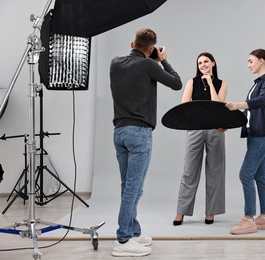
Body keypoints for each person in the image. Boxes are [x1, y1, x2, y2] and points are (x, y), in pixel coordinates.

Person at [109, 28, 182, 256]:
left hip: (119, 132)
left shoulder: (115, 63)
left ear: (132, 43)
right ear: (151, 49)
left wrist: (149, 57)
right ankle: (122, 241)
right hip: (139, 133)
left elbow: (135, 66)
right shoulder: (150, 65)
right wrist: (163, 60)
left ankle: (133, 232)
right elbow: (177, 83)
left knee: (128, 187)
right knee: (133, 189)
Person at [225, 48, 265, 235]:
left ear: (261, 61)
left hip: (264, 134)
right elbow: (250, 111)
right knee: (259, 176)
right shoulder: (258, 83)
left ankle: (248, 219)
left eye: (250, 61)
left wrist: (239, 104)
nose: (248, 65)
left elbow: (261, 101)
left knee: (245, 174)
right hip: (255, 134)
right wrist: (227, 123)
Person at [173, 52, 228, 226]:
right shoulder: (192, 82)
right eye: (199, 63)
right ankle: (181, 211)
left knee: (215, 172)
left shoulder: (222, 84)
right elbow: (184, 106)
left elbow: (219, 106)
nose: (202, 65)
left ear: (213, 63)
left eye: (205, 61)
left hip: (215, 130)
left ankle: (211, 212)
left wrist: (210, 83)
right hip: (195, 130)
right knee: (189, 171)